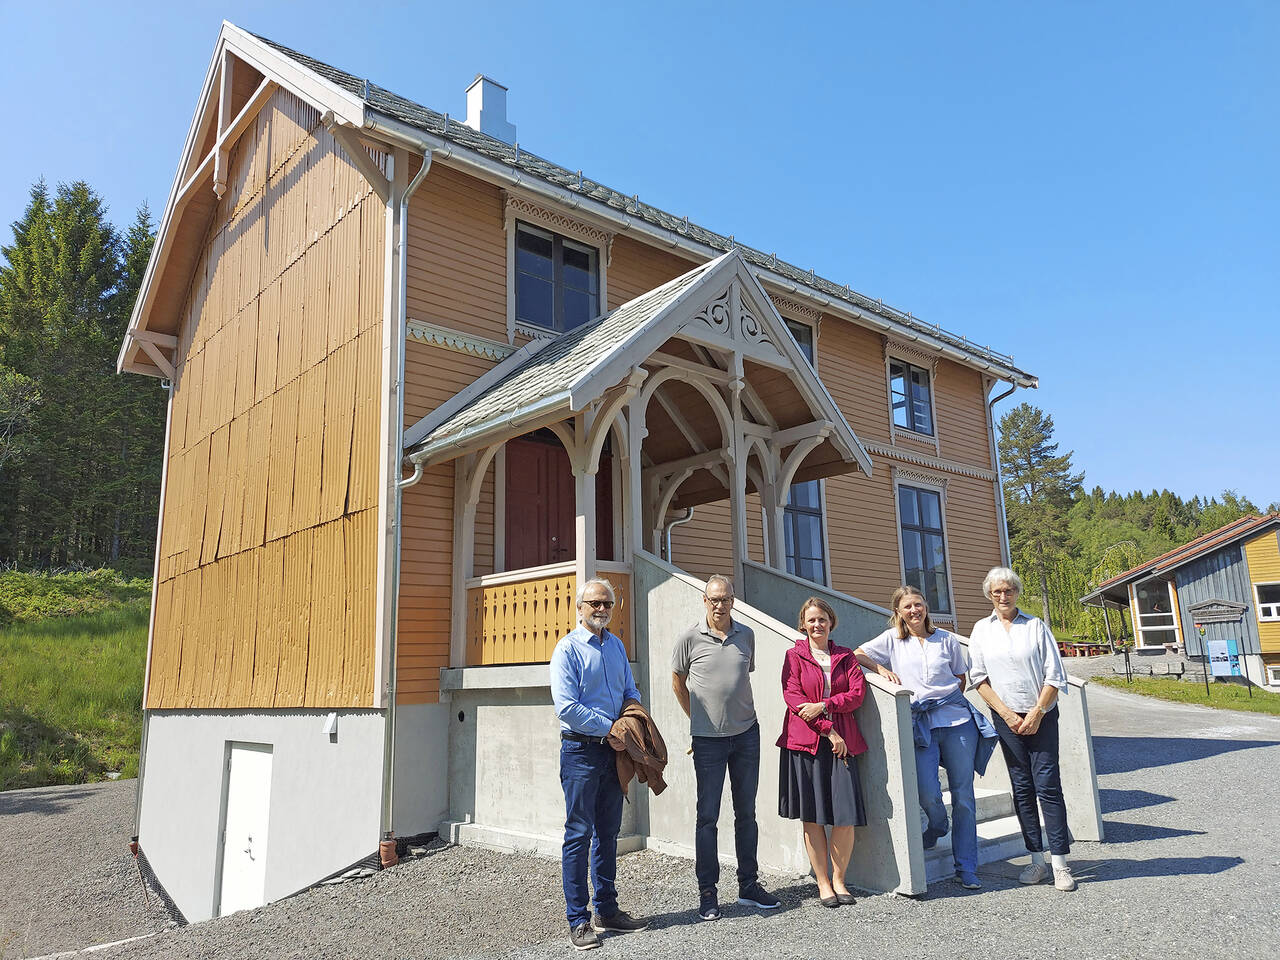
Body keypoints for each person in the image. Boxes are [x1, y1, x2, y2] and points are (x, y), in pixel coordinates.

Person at [854, 586, 995, 890]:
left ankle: (966, 866)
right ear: (898, 612)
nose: (914, 610)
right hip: (920, 724)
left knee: (964, 796)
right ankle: (938, 824)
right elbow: (858, 654)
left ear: (926, 607)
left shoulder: (946, 639)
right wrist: (882, 669)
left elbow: (960, 677)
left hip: (957, 722)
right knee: (927, 791)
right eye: (907, 607)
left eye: (918, 604)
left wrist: (944, 697)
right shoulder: (893, 640)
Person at [671, 574, 779, 921]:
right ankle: (708, 893)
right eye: (714, 599)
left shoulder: (746, 635)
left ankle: (749, 885)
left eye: (726, 599)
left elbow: (743, 676)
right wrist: (697, 718)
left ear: (733, 600)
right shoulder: (689, 637)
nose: (720, 605)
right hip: (708, 743)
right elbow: (677, 681)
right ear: (705, 601)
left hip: (747, 734)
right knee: (708, 817)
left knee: (746, 814)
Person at [550, 578, 650, 951]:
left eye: (607, 603)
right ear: (580, 608)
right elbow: (567, 708)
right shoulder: (568, 650)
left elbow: (630, 691)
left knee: (608, 833)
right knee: (579, 835)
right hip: (580, 753)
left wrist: (628, 721)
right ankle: (578, 920)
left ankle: (608, 910)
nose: (601, 609)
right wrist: (610, 728)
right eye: (594, 603)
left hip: (614, 752)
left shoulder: (617, 646)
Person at [969, 567, 1076, 892]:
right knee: (1022, 788)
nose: (1003, 596)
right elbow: (978, 677)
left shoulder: (1035, 627)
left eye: (1009, 590)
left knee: (1048, 786)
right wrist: (1006, 714)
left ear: (1016, 592)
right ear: (990, 594)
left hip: (1041, 716)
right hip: (1006, 719)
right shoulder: (981, 630)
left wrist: (1037, 712)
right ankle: (1036, 860)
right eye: (997, 592)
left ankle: (1060, 862)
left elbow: (1054, 674)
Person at [777, 596, 869, 907]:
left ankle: (841, 879)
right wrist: (828, 730)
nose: (817, 625)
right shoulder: (793, 656)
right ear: (803, 623)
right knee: (813, 816)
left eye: (823, 619)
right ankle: (823, 882)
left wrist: (826, 705)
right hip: (808, 742)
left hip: (844, 740)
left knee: (845, 815)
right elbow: (794, 700)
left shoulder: (845, 656)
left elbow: (856, 695)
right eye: (811, 620)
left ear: (831, 623)